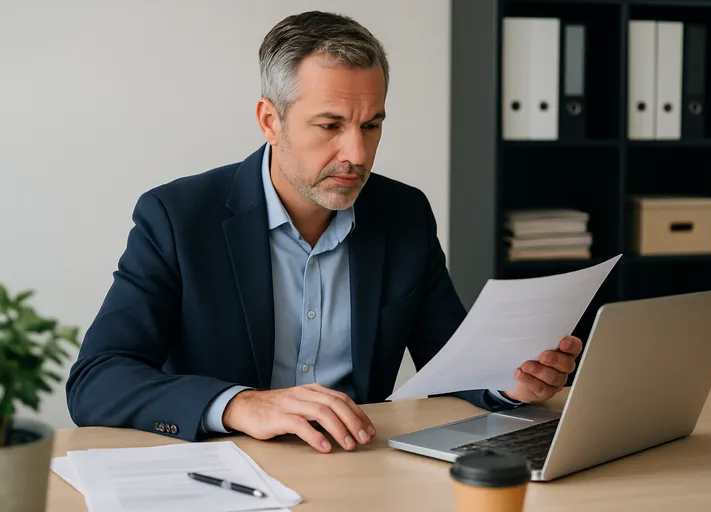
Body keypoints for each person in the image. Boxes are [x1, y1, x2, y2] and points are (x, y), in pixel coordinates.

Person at [66, 10, 582, 454]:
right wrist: (240, 405)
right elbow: (97, 381)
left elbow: (455, 367)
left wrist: (515, 385)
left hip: (361, 468)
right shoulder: (178, 216)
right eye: (330, 125)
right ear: (270, 120)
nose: (357, 155)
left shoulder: (404, 214)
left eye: (372, 125)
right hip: (230, 472)